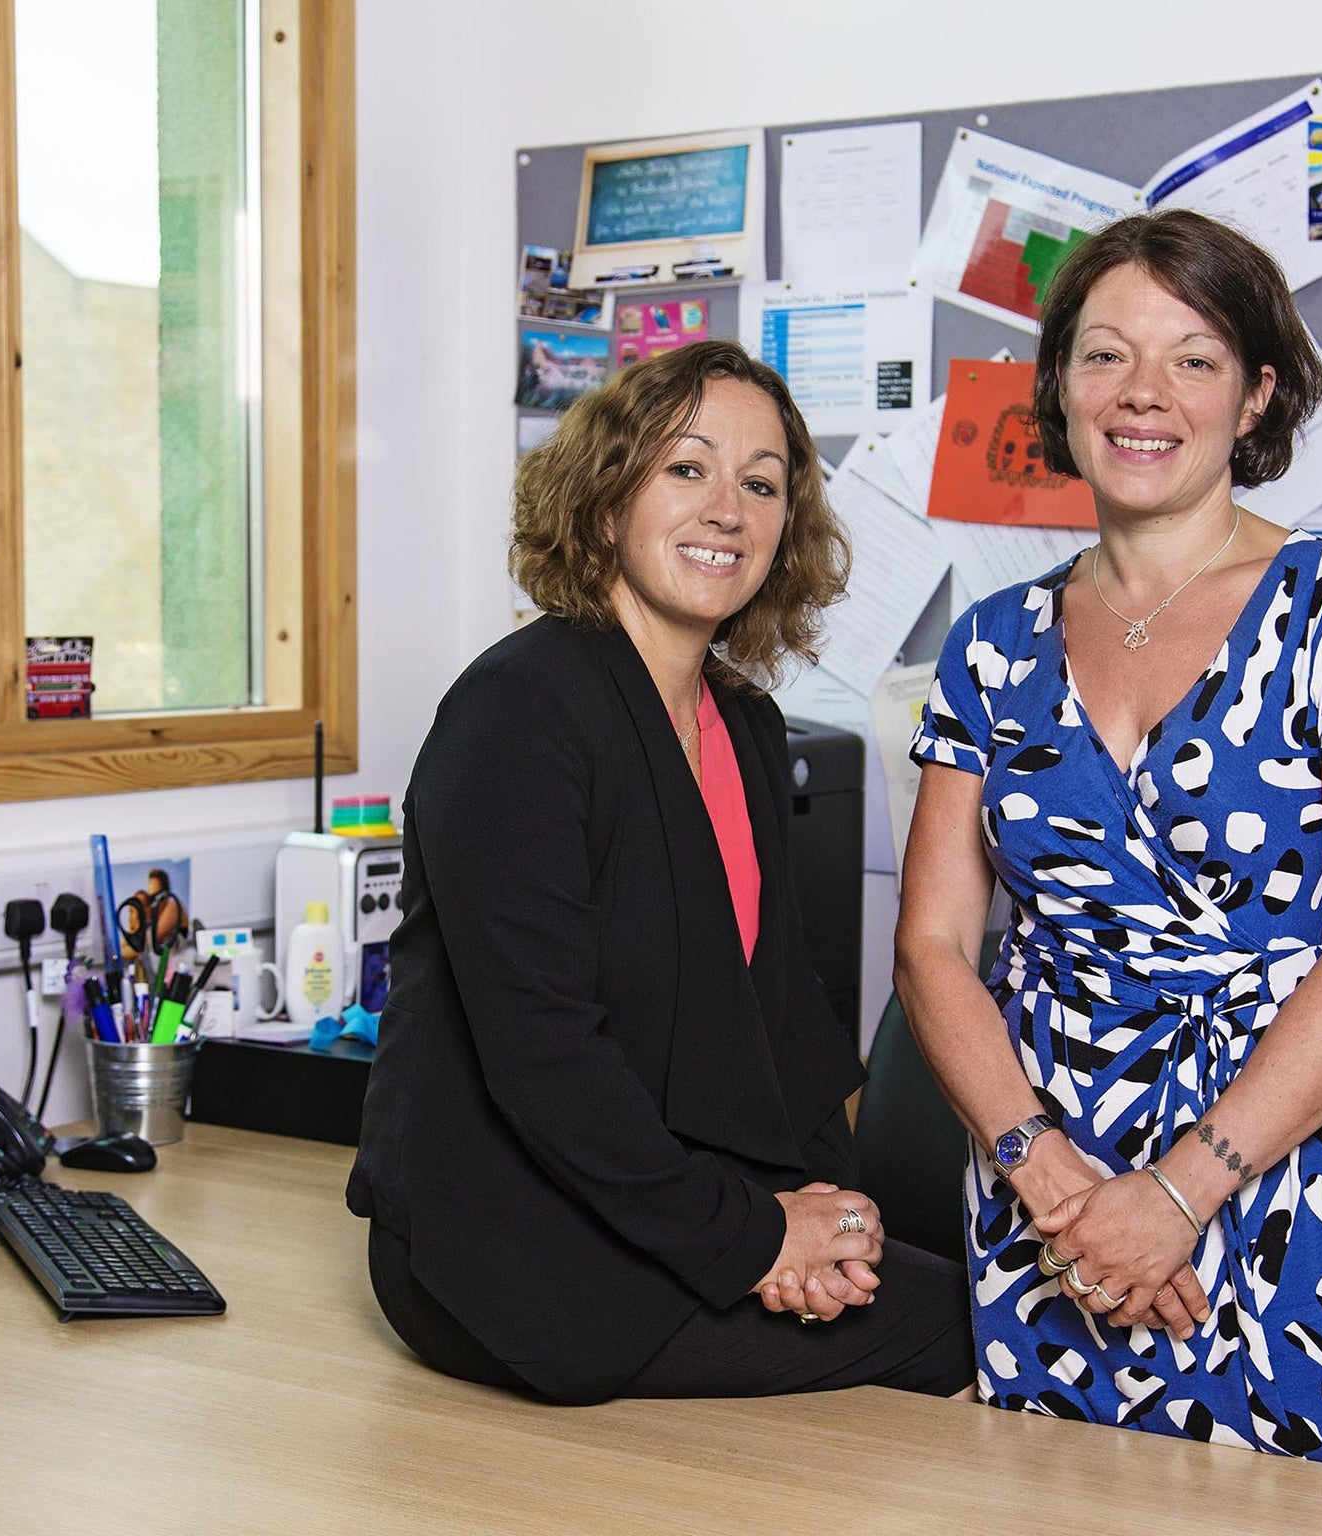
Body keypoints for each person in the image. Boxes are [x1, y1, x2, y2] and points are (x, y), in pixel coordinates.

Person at [894, 208, 1322, 1468]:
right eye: (1103, 355)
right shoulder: (987, 643)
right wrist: (1050, 1184)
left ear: (1255, 396)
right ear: (1057, 388)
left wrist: (1171, 1197)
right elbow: (931, 948)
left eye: (1192, 358)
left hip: (1271, 1188)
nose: (1140, 394)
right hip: (1041, 1187)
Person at [347, 338, 973, 1406]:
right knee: (965, 1341)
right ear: (603, 500)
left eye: (760, 482)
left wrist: (832, 1226)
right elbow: (546, 1055)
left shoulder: (743, 721)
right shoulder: (518, 711)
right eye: (685, 468)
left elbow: (779, 1027)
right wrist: (753, 1243)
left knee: (944, 1304)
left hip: (663, 1210)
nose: (726, 507)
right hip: (510, 1248)